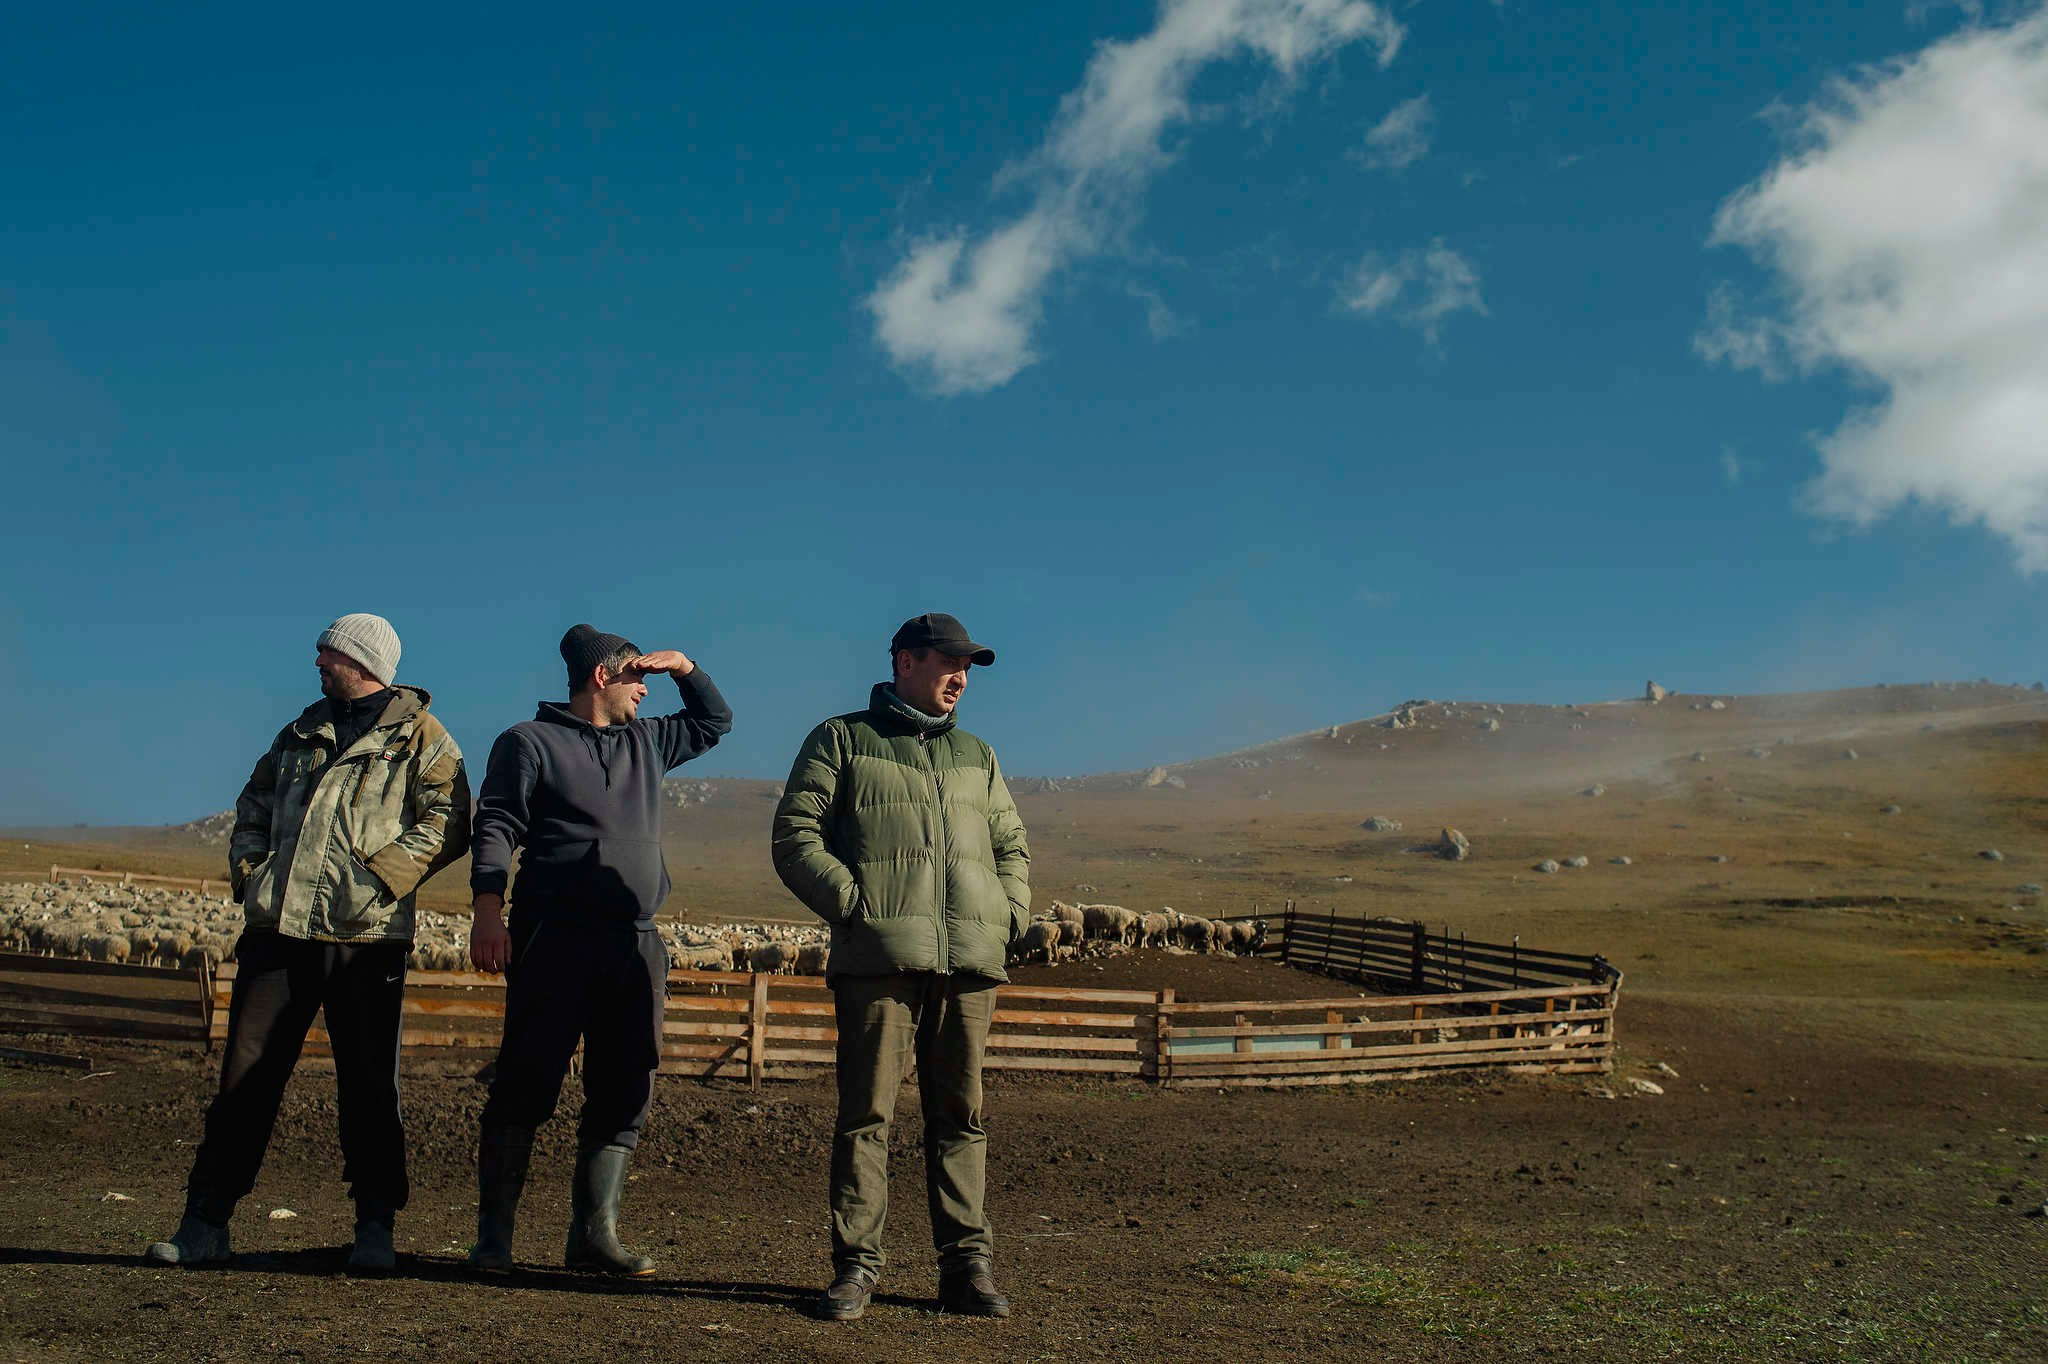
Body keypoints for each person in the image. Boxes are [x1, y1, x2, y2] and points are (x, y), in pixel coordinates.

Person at [145, 613, 472, 1271]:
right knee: (243, 1081)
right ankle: (205, 1222)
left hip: (366, 938)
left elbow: (450, 819)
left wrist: (380, 878)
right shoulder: (299, 732)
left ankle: (374, 1229)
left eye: (329, 654)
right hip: (279, 934)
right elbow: (254, 806)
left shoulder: (421, 739)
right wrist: (251, 874)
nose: (318, 663)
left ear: (364, 661)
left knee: (370, 1086)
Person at [772, 611, 1030, 1321]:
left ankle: (966, 1268)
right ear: (905, 661)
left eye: (969, 667)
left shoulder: (978, 755)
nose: (961, 678)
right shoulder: (843, 738)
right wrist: (857, 905)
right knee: (866, 1116)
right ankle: (856, 1268)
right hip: (879, 957)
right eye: (950, 662)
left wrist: (1007, 916)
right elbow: (796, 835)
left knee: (962, 1117)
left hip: (970, 959)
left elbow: (1012, 845)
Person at [464, 624, 732, 1275]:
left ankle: (593, 1236)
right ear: (602, 677)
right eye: (637, 676)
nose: (647, 688)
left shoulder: (649, 741)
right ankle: (494, 1239)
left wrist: (685, 666)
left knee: (626, 1085)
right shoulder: (528, 743)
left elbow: (715, 720)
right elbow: (497, 823)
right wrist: (487, 911)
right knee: (527, 1082)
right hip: (552, 936)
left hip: (635, 941)